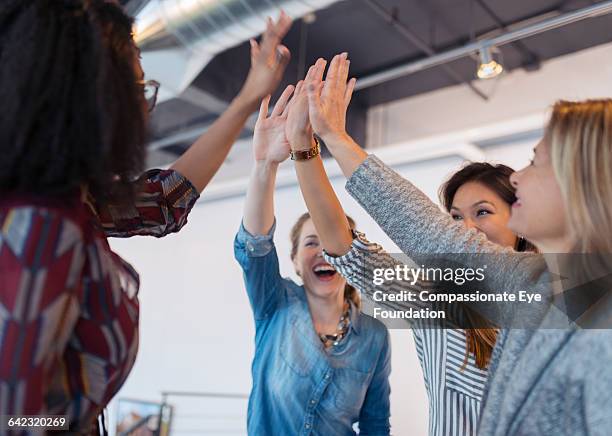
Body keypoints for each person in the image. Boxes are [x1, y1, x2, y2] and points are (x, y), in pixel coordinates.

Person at [0, 1, 291, 432]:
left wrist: (248, 99)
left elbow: (164, 200)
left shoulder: (67, 201)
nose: (146, 108)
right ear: (90, 99)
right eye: (136, 90)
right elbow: (15, 419)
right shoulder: (41, 224)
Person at [295, 54, 612, 435]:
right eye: (457, 218)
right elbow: (418, 231)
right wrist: (321, 142)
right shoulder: (521, 285)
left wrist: (332, 139)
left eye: (536, 162)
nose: (518, 179)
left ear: (584, 182)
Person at [234, 84, 391, 435]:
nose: (323, 252)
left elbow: (376, 423)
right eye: (309, 243)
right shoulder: (275, 305)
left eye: (332, 244)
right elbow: (254, 246)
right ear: (292, 260)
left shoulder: (374, 336)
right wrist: (264, 166)